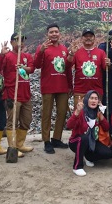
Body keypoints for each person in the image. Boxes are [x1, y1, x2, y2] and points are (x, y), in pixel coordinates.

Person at [34, 23, 72, 154]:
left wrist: (70, 86)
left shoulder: (64, 49)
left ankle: (57, 138)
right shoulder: (42, 48)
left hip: (62, 87)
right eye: (51, 32)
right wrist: (41, 52)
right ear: (47, 34)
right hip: (48, 87)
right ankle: (46, 141)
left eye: (56, 31)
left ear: (59, 33)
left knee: (62, 113)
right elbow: (37, 65)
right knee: (47, 114)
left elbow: (68, 69)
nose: (54, 34)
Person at [0, 33, 35, 157]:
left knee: (26, 120)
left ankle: (20, 144)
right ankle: (12, 147)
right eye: (17, 40)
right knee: (12, 121)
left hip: (25, 94)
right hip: (12, 94)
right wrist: (1, 54)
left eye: (22, 40)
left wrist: (24, 67)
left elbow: (32, 69)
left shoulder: (26, 56)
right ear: (12, 42)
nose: (20, 43)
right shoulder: (7, 56)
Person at [67, 90, 112, 176]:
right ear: (87, 99)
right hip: (76, 141)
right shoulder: (81, 112)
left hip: (92, 142)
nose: (93, 101)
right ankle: (77, 166)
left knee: (108, 153)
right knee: (84, 137)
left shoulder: (97, 113)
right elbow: (69, 125)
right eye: (91, 98)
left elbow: (107, 128)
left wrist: (101, 116)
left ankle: (87, 156)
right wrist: (77, 112)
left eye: (96, 99)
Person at [67, 28, 110, 106]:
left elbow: (106, 69)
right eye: (86, 36)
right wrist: (71, 54)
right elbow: (68, 65)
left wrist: (108, 64)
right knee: (79, 115)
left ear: (94, 38)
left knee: (96, 116)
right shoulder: (77, 52)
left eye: (90, 36)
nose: (88, 38)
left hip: (96, 91)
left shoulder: (101, 52)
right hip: (80, 90)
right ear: (82, 38)